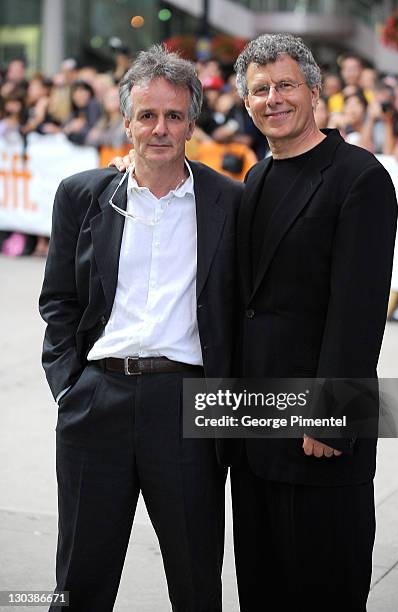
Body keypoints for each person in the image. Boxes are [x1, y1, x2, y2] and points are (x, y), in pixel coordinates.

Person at [39, 45, 242, 612]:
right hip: (96, 400)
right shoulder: (81, 195)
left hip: (186, 404)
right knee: (80, 578)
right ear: (126, 119)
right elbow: (58, 299)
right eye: (147, 115)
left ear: (192, 123)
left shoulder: (228, 201)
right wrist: (68, 385)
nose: (160, 129)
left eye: (174, 116)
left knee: (196, 577)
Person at [230, 33, 397, 611]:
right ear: (246, 104)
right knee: (262, 585)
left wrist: (331, 416)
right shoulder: (256, 178)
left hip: (316, 429)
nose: (273, 98)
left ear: (314, 92)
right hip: (252, 424)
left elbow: (359, 309)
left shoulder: (359, 177)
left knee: (324, 586)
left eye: (285, 85)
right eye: (260, 90)